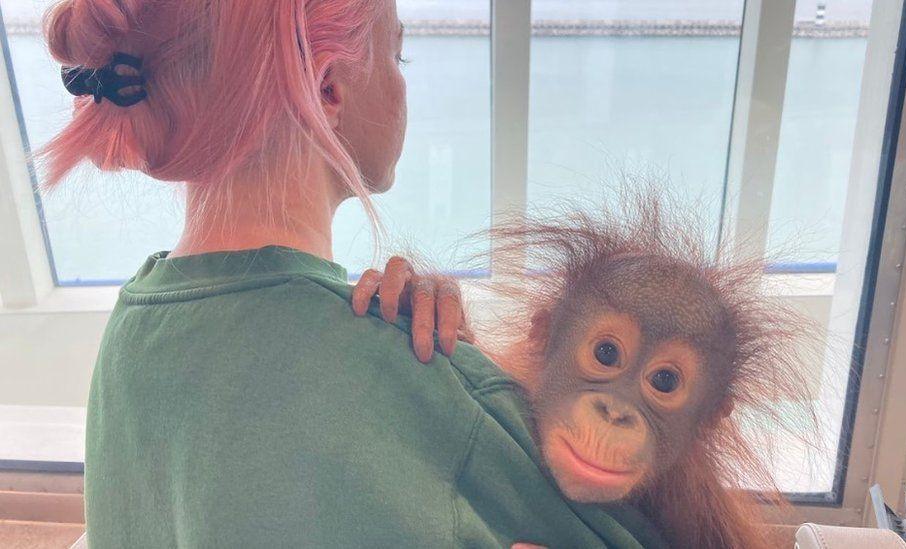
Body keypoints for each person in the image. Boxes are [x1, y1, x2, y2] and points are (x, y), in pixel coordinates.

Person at [43, 1, 666, 546]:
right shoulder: (414, 374)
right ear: (327, 89)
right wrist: (464, 379)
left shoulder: (130, 333)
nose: (402, 85)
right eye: (398, 55)